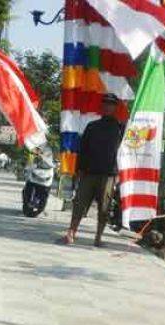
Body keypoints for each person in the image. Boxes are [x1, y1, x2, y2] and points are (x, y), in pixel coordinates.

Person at [64, 93, 124, 247]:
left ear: (115, 107)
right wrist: (78, 170)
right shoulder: (92, 126)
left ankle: (98, 237)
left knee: (104, 208)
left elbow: (126, 152)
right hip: (89, 173)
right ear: (101, 107)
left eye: (110, 104)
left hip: (108, 175)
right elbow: (82, 150)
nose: (107, 107)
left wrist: (119, 175)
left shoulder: (121, 129)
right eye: (105, 104)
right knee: (79, 204)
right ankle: (71, 232)